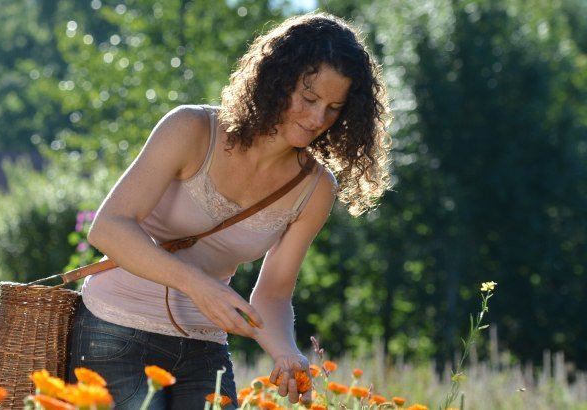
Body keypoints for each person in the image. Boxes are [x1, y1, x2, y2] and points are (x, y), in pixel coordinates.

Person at [67, 12, 390, 409]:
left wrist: (287, 353)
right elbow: (109, 229)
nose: (317, 119)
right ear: (277, 80)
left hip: (205, 349)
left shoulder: (316, 188)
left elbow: (272, 294)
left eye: (334, 107)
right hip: (114, 332)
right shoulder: (191, 129)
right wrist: (199, 284)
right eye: (309, 99)